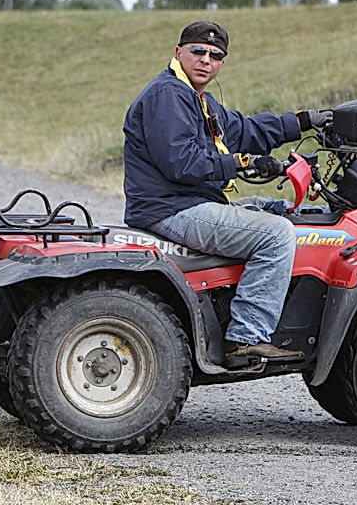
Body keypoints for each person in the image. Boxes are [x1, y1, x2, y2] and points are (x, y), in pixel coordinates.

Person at [122, 20, 330, 362]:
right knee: (277, 234)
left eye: (215, 55)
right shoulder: (167, 95)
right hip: (171, 209)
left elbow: (245, 130)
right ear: (179, 52)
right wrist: (240, 162)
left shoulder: (197, 99)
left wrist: (303, 121)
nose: (206, 60)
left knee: (277, 209)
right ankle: (246, 339)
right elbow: (182, 163)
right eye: (198, 51)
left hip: (191, 202)